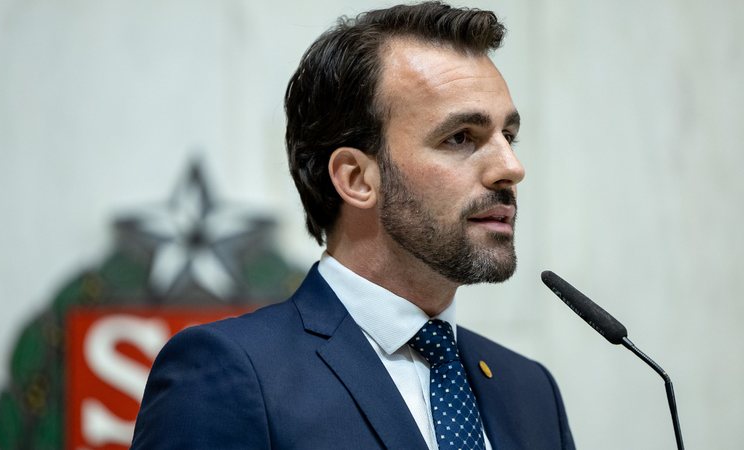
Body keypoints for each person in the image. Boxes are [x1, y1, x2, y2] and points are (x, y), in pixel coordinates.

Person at [131, 2, 576, 449]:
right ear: (357, 179)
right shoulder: (230, 372)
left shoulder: (530, 391)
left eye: (508, 137)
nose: (511, 167)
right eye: (460, 137)